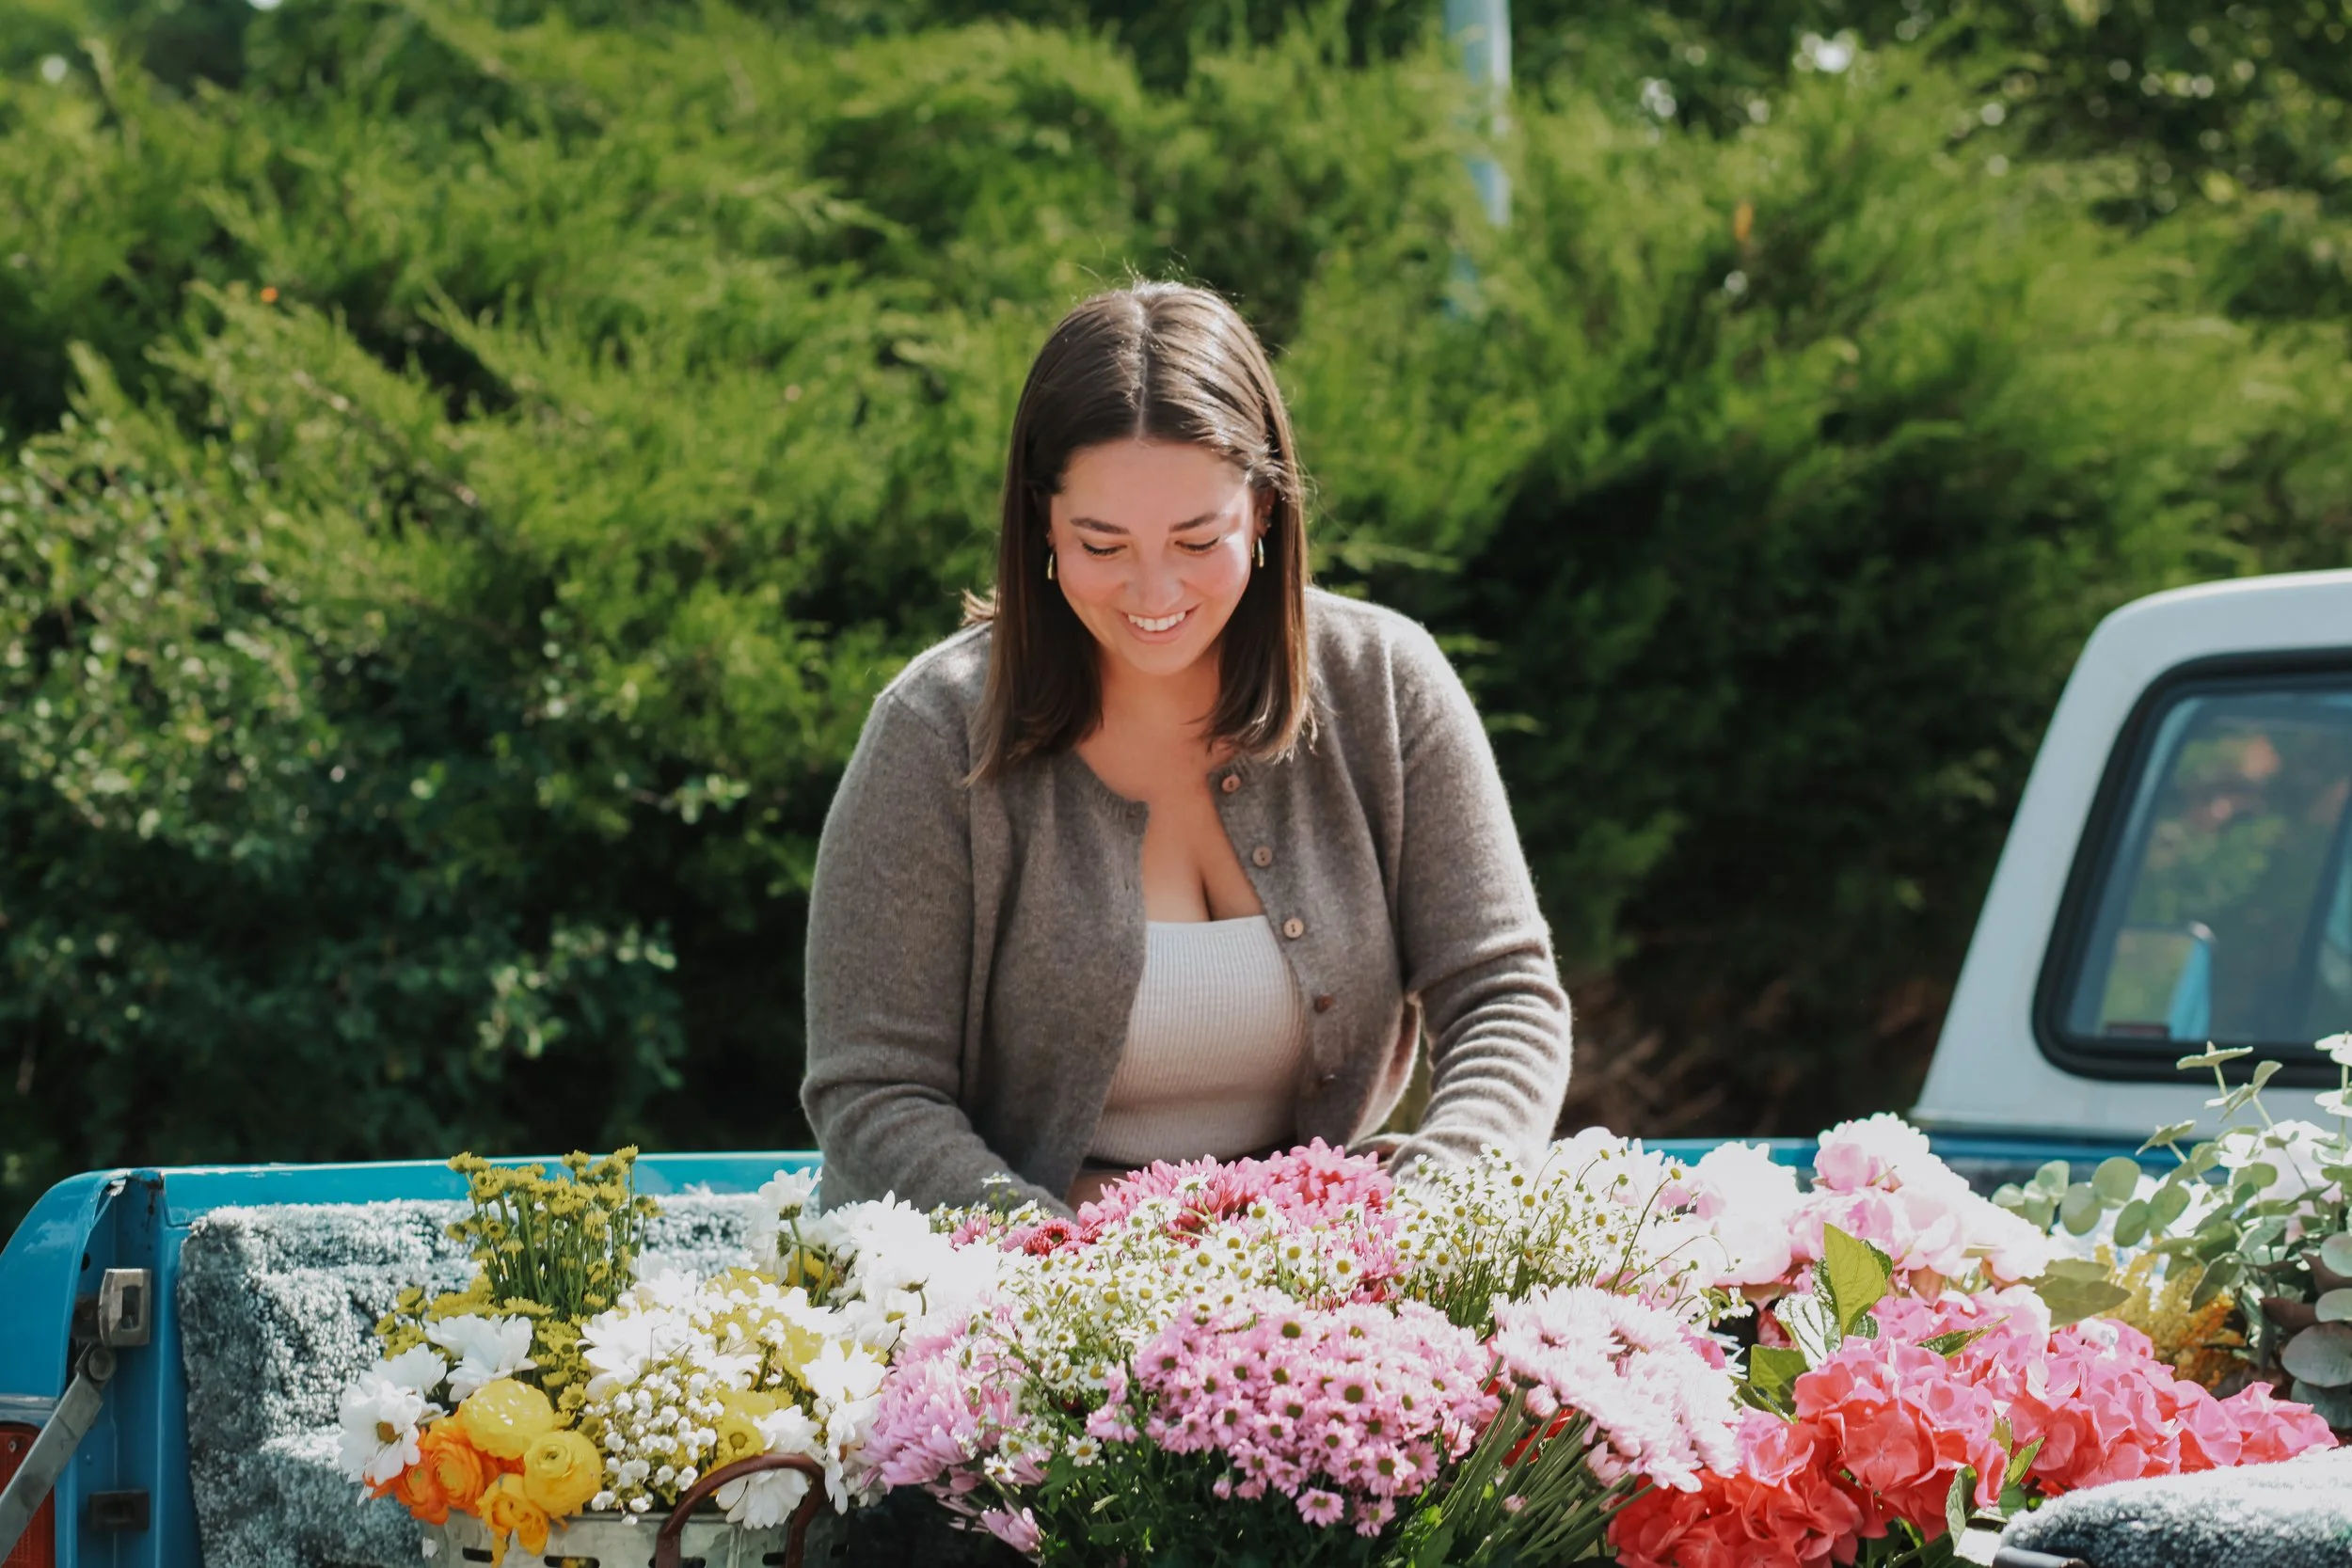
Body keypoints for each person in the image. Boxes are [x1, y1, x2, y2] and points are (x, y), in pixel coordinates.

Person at [801, 280, 1570, 1215]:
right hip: (1012, 1299)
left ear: (1266, 510)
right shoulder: (933, 733)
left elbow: (1505, 996)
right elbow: (872, 1088)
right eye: (1102, 542)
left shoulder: (1387, 684)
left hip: (1333, 1285)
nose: (1151, 590)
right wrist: (1046, 1257)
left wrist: (1431, 1205)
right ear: (1041, 521)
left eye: (1198, 538)